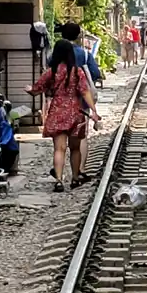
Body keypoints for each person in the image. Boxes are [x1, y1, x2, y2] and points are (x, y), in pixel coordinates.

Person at [32, 36, 99, 189]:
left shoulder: (52, 72)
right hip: (75, 112)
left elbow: (37, 89)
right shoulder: (77, 72)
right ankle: (75, 178)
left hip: (57, 112)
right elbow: (84, 92)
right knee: (75, 148)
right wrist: (93, 111)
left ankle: (59, 181)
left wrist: (30, 90)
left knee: (59, 148)